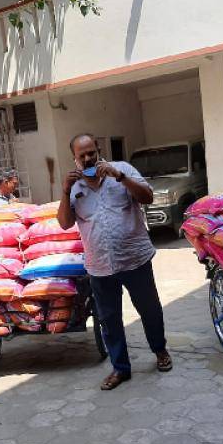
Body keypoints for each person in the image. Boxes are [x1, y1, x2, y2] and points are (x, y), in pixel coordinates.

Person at [58, 133, 172, 391]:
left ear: (98, 151)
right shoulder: (74, 187)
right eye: (82, 155)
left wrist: (120, 177)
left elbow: (148, 197)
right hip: (100, 266)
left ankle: (160, 351)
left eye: (91, 153)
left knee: (150, 310)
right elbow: (65, 223)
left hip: (135, 259)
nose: (88, 158)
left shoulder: (122, 170)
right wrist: (65, 191)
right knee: (109, 320)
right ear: (74, 159)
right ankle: (120, 368)